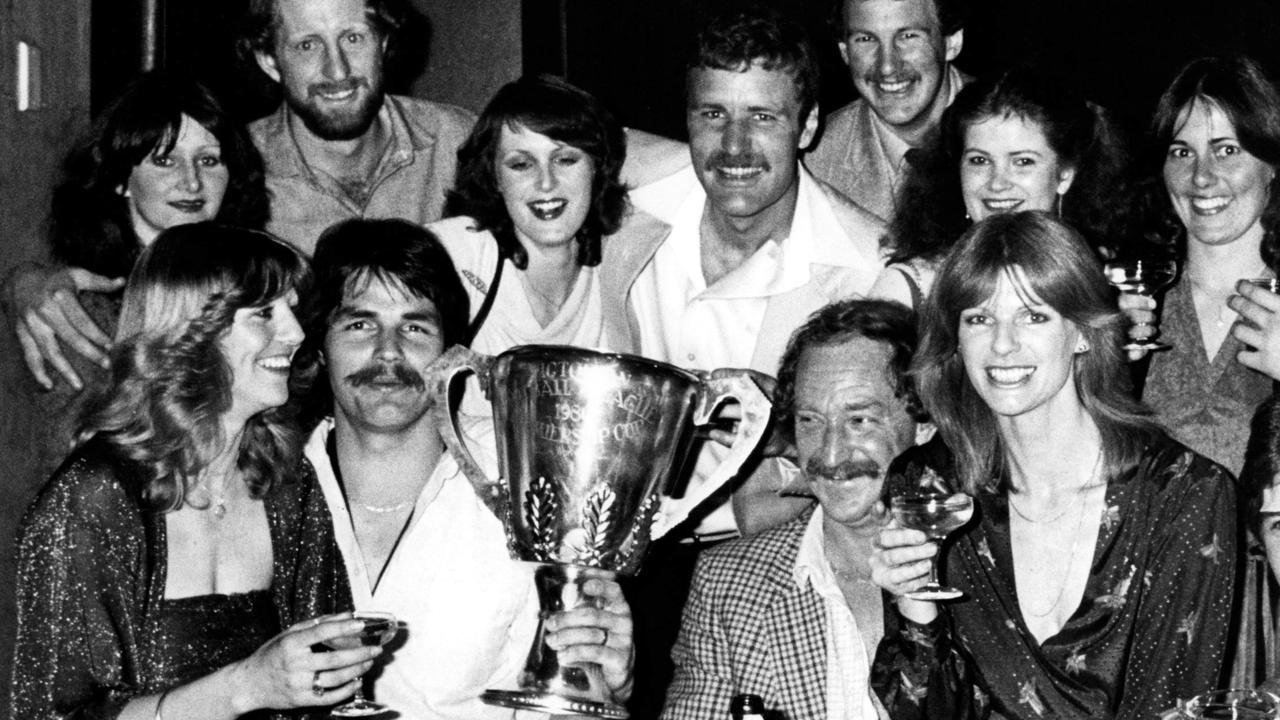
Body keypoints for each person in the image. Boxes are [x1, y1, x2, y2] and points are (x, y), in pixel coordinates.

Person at [622, 6, 887, 716]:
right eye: (712, 114)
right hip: (610, 561)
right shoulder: (626, 210)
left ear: (806, 129)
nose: (733, 145)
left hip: (757, 571)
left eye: (762, 118)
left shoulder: (864, 268)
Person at [869, 211, 1237, 719]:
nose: (1002, 344)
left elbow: (1173, 709)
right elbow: (926, 711)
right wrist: (914, 606)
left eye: (1033, 316)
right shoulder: (929, 490)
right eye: (978, 318)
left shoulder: (1184, 495)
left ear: (1084, 332)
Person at [12, 223, 367, 719]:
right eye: (264, 314)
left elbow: (325, 682)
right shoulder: (92, 497)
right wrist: (243, 687)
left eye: (290, 309)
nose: (296, 332)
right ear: (191, 333)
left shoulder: (285, 482)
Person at [297, 217, 634, 719]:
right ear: (320, 347)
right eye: (360, 324)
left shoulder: (527, 485)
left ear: (450, 354)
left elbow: (569, 700)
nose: (388, 352)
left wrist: (612, 683)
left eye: (415, 327)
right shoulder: (269, 481)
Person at [662, 299, 933, 720]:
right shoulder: (730, 586)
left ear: (926, 422)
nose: (830, 452)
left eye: (859, 420)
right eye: (810, 420)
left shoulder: (981, 575)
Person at [3, 71, 269, 478]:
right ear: (120, 180)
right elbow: (70, 476)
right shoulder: (78, 311)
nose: (192, 180)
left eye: (209, 160)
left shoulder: (251, 295)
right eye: (165, 160)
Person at [432, 74, 668, 362]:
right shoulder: (456, 252)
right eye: (521, 164)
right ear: (494, 177)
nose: (546, 183)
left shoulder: (627, 266)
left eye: (565, 159)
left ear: (596, 167)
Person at [1127, 55, 1280, 476]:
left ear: (1271, 165)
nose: (1200, 177)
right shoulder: (1132, 303)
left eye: (1226, 150)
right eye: (1182, 152)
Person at [867, 66, 1130, 309]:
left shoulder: (1101, 276)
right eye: (979, 161)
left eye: (1022, 162)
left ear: (1065, 175)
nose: (997, 183)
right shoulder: (914, 288)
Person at [237, 0, 476, 254]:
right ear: (269, 61)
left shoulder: (458, 142)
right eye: (307, 45)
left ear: (383, 43)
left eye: (353, 38)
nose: (338, 71)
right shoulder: (233, 169)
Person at [805, 0, 967, 222]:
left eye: (908, 36)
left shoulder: (1019, 132)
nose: (887, 66)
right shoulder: (812, 165)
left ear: (951, 43)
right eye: (865, 39)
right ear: (844, 52)